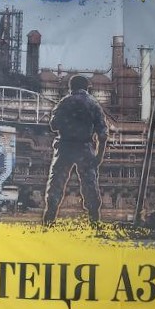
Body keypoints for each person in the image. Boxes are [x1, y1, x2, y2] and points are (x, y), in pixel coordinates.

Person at [43, 74, 107, 224]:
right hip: (85, 148)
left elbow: (53, 126)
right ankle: (94, 221)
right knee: (90, 184)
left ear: (70, 87)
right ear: (86, 87)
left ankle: (49, 220)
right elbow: (103, 134)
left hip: (64, 147)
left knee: (56, 183)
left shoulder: (64, 102)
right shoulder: (93, 104)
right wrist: (99, 156)